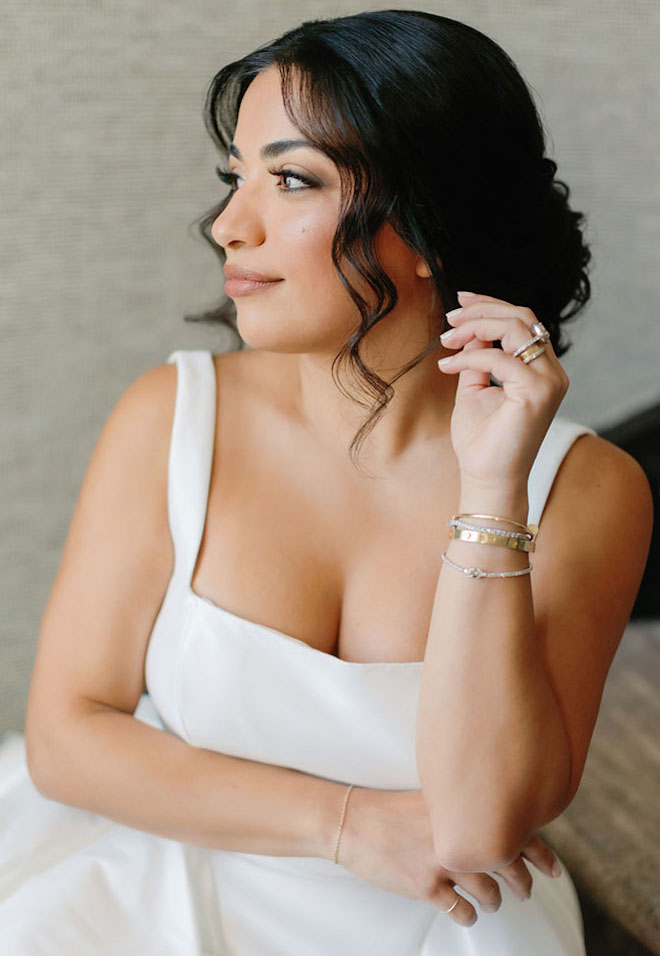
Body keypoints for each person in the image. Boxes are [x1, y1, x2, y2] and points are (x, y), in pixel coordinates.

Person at [0, 10, 652, 955]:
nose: (230, 225)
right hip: (156, 885)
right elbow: (66, 735)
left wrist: (490, 490)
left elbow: (476, 830)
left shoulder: (588, 492)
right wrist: (342, 823)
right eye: (237, 178)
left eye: (292, 179)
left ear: (431, 222)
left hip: (443, 924)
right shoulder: (174, 415)